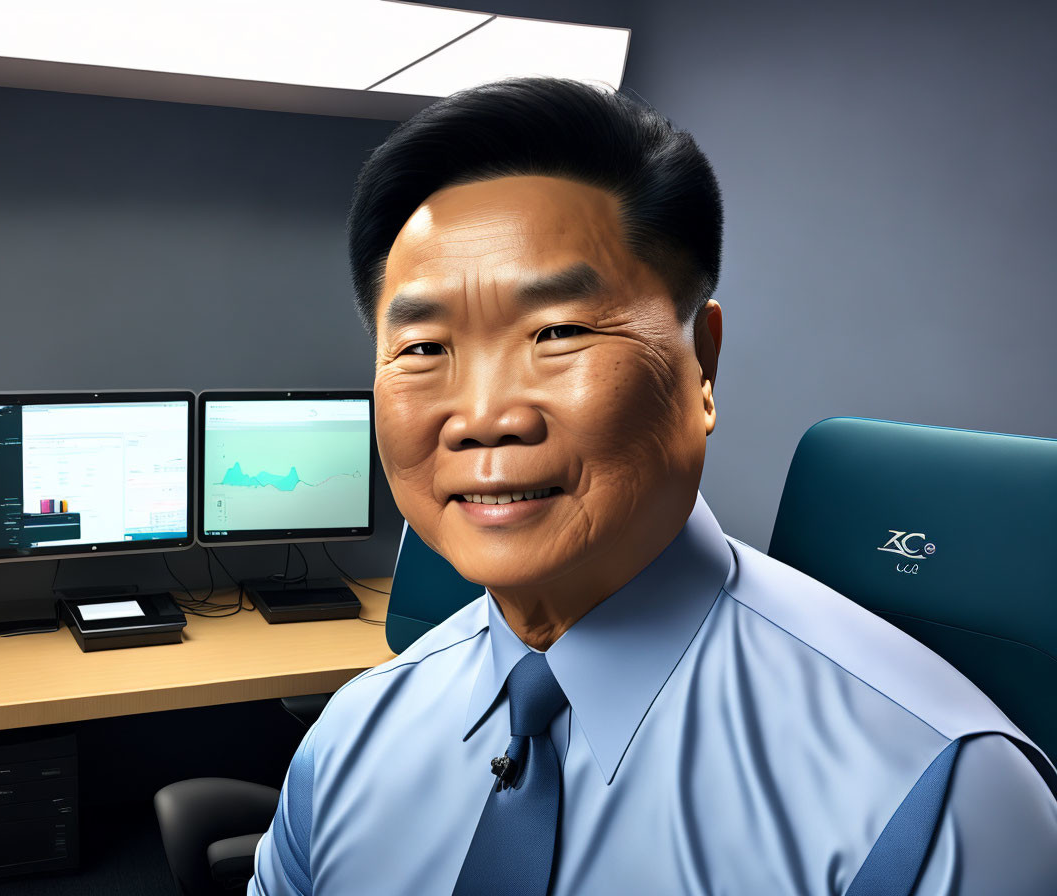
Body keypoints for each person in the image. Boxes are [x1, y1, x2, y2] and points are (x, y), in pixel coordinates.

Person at [249, 78, 1057, 895]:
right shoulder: (348, 743)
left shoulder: (941, 804)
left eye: (557, 332)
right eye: (423, 348)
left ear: (701, 364)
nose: (483, 417)